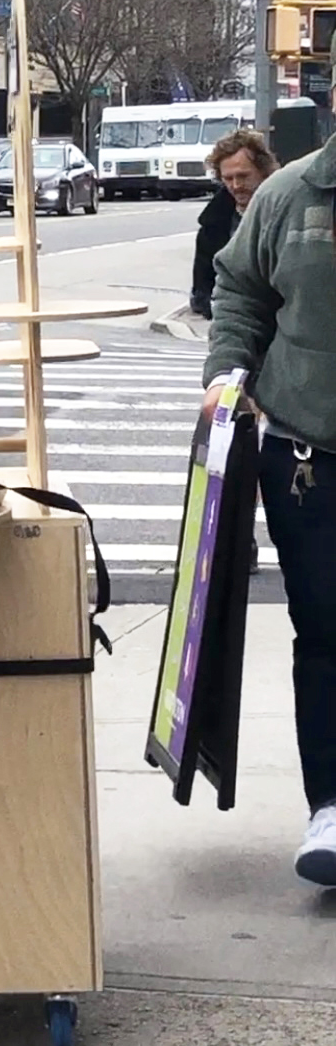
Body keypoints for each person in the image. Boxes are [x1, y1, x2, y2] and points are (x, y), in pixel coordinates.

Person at [202, 119, 336, 886]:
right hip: (308, 453)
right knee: (323, 630)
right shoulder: (289, 195)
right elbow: (240, 291)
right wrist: (226, 372)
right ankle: (329, 805)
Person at [190, 129, 278, 318]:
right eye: (228, 179)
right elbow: (202, 288)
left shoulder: (285, 212)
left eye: (243, 176)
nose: (236, 185)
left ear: (263, 172)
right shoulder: (213, 226)